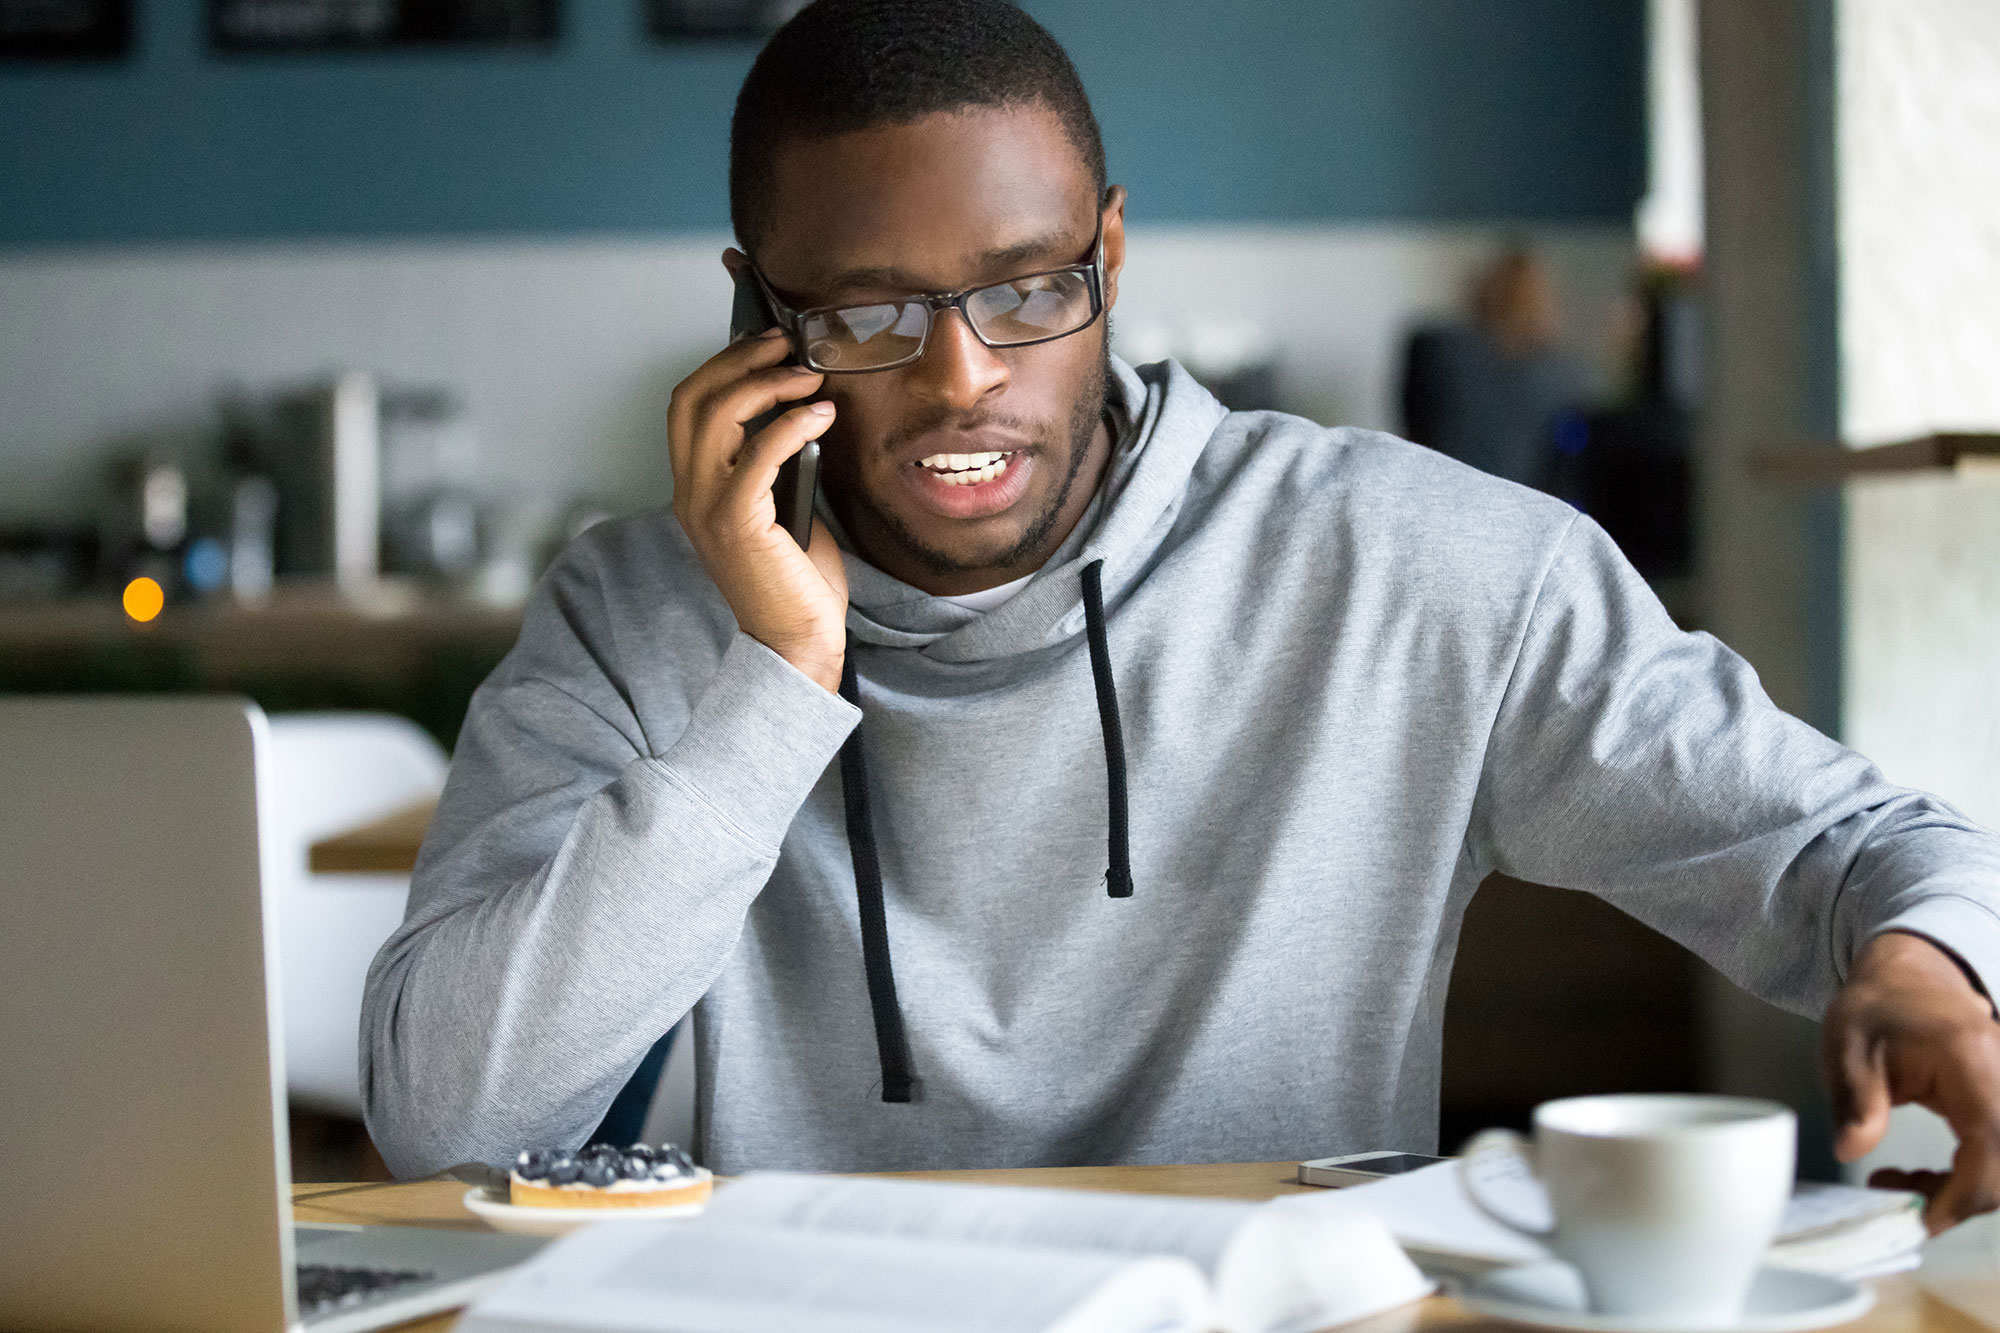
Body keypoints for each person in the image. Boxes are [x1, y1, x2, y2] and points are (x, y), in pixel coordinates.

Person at [362, 0, 2000, 1230]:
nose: (963, 377)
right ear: (755, 311)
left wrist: (1930, 971)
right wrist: (779, 677)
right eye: (869, 312)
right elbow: (442, 1117)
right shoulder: (638, 612)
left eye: (1030, 287)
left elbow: (1855, 845)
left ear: (1112, 255)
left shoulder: (1410, 567)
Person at [1399, 248, 1582, 491]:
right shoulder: (1563, 376)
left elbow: (1412, 433)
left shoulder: (1434, 348)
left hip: (1435, 495)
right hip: (1521, 505)